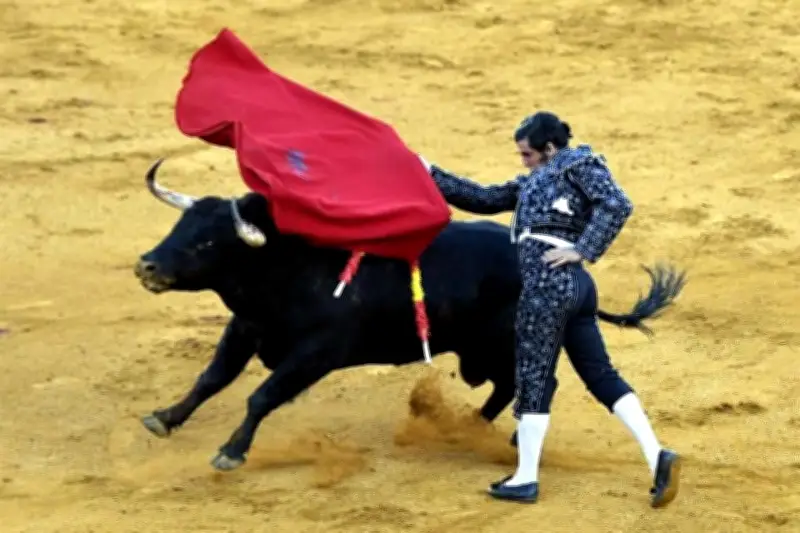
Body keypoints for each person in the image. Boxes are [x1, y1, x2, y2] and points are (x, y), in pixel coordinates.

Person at [417, 111, 680, 507]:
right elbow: (483, 198)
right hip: (577, 288)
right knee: (600, 375)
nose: (522, 161)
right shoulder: (534, 182)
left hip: (546, 285)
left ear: (550, 148)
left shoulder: (577, 163)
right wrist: (429, 171)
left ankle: (525, 478)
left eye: (527, 154)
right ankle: (656, 454)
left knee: (534, 377)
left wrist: (584, 249)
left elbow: (617, 203)